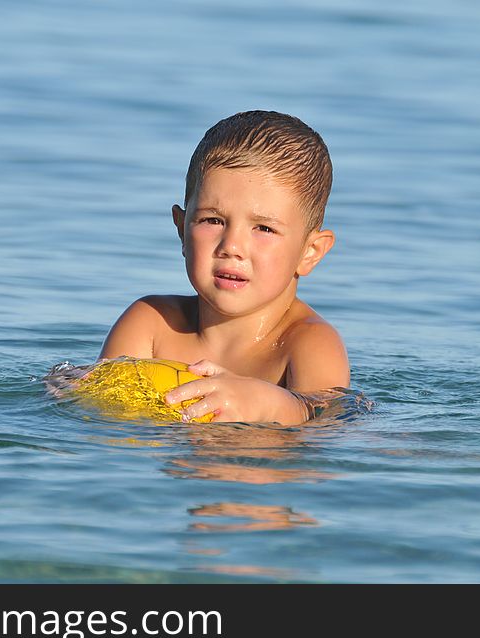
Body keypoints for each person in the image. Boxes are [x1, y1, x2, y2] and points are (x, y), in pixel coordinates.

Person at [99, 110, 349, 425]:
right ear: (181, 229)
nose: (231, 246)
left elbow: (328, 427)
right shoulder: (151, 325)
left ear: (309, 252)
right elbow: (100, 419)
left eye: (264, 229)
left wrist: (270, 404)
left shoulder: (309, 343)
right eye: (212, 220)